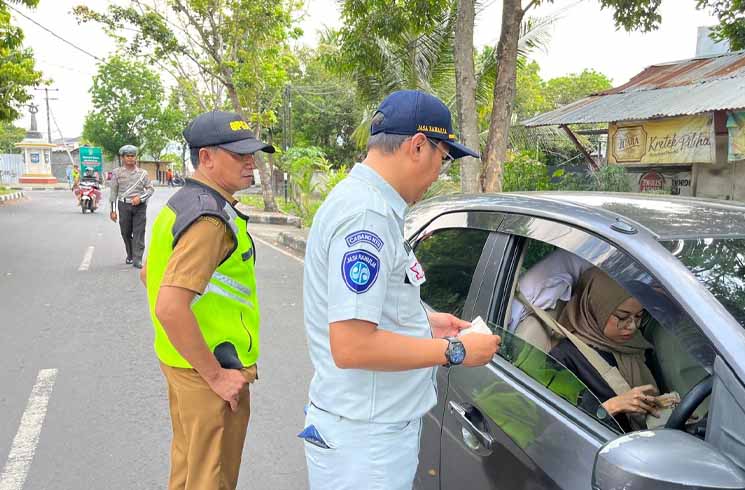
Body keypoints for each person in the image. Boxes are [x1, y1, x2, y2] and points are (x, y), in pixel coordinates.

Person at [301, 90, 501, 490]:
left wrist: (428, 321)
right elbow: (352, 345)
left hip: (362, 428)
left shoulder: (365, 203)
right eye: (442, 159)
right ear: (418, 146)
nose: (438, 174)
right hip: (367, 441)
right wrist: (456, 351)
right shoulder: (367, 215)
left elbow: (372, 302)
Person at [141, 111, 274, 490]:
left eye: (253, 154)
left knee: (188, 475)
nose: (251, 163)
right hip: (211, 371)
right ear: (206, 158)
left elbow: (148, 272)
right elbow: (169, 305)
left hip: (182, 365)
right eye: (239, 155)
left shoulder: (181, 203)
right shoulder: (211, 220)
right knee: (211, 480)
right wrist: (216, 376)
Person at [544, 267, 662, 432]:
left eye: (638, 316)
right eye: (622, 317)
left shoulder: (638, 345)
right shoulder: (564, 358)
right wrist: (612, 406)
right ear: (594, 308)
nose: (632, 326)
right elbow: (554, 426)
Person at [109, 145, 154, 269]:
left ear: (136, 157)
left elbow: (150, 189)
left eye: (132, 156)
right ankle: (130, 253)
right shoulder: (117, 173)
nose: (130, 158)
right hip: (123, 205)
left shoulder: (142, 173)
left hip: (139, 207)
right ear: (122, 157)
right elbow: (113, 192)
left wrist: (141, 198)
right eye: (127, 156)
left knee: (139, 232)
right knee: (125, 232)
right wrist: (112, 211)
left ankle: (137, 258)